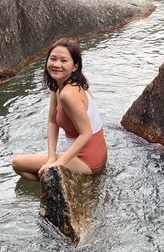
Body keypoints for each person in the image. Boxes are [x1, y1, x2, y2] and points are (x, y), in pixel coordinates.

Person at [11, 38, 107, 180]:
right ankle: (63, 181)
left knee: (17, 163)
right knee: (37, 169)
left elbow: (86, 133)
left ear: (74, 66)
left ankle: (70, 181)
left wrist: (57, 163)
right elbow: (52, 122)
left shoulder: (68, 94)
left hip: (88, 159)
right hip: (90, 152)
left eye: (63, 61)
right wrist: (51, 157)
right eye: (53, 59)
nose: (56, 64)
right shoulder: (59, 86)